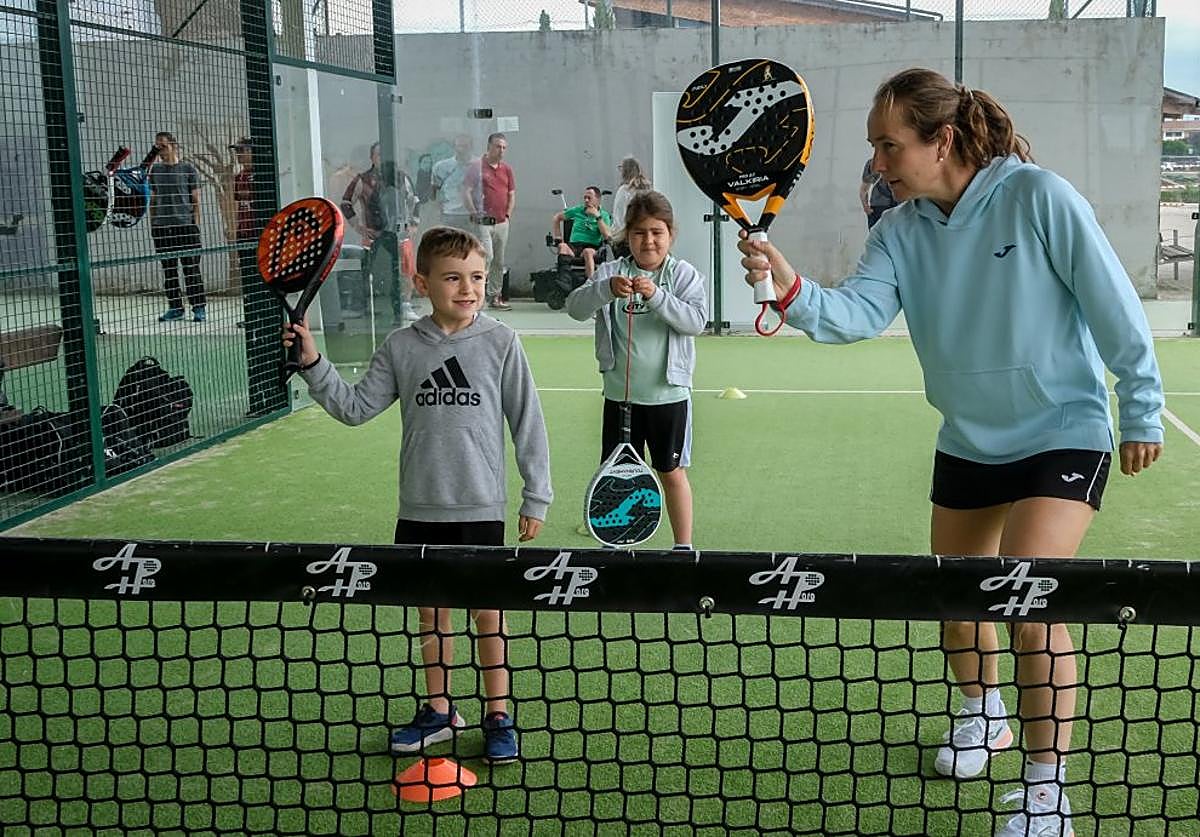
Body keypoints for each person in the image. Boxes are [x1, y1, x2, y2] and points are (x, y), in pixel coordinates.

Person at [737, 68, 1164, 837]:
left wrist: (1141, 407)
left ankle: (1045, 796)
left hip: (1061, 430)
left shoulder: (1040, 197)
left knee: (1033, 604)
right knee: (958, 602)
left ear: (944, 139)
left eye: (889, 144)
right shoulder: (898, 230)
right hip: (970, 439)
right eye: (874, 145)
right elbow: (854, 314)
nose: (878, 161)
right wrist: (789, 283)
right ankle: (983, 714)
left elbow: (1115, 305)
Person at [282, 226, 552, 765]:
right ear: (421, 280)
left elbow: (528, 421)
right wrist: (313, 363)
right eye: (453, 278)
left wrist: (535, 496)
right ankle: (440, 709)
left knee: (488, 616)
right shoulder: (402, 347)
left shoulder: (501, 342)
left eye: (476, 277)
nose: (467, 288)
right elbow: (355, 408)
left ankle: (498, 715)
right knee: (432, 616)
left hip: (480, 510)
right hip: (419, 512)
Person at [565, 191, 706, 551]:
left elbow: (695, 322)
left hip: (668, 397)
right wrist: (605, 290)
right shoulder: (612, 273)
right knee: (615, 478)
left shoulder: (684, 275)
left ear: (670, 235)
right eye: (640, 232)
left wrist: (657, 296)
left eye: (657, 232)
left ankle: (682, 548)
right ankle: (614, 546)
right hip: (620, 399)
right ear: (627, 236)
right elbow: (575, 308)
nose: (649, 240)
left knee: (671, 472)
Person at [149, 131, 206, 322]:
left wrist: (195, 224)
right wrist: (153, 223)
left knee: (191, 268)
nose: (159, 150)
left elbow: (196, 199)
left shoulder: (188, 169)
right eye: (157, 146)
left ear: (173, 145)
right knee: (169, 269)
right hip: (163, 228)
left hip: (185, 226)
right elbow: (153, 198)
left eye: (163, 146)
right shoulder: (155, 170)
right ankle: (175, 307)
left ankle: (198, 307)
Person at [464, 132, 516, 311]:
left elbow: (511, 194)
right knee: (487, 256)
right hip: (483, 221)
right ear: (489, 146)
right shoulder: (476, 166)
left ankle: (495, 297)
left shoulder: (507, 169)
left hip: (502, 222)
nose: (501, 150)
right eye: (497, 146)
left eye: (504, 147)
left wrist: (508, 214)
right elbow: (466, 191)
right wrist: (473, 212)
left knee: (498, 261)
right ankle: (476, 295)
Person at [553, 186, 612, 279]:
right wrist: (558, 237)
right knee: (562, 247)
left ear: (597, 199)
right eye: (585, 198)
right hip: (574, 247)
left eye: (589, 198)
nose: (586, 200)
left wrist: (597, 216)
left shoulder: (604, 215)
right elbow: (557, 217)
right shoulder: (578, 210)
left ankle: (591, 283)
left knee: (587, 252)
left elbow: (607, 236)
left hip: (592, 248)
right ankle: (564, 282)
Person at [430, 134, 475, 231]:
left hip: (473, 214)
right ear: (454, 147)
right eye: (459, 146)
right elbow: (434, 190)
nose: (461, 149)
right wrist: (438, 209)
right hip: (450, 214)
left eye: (465, 146)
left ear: (471, 147)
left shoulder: (480, 165)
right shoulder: (441, 167)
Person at [610, 155, 652, 241]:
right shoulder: (647, 189)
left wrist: (612, 236)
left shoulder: (624, 190)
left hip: (626, 237)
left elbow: (619, 217)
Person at [859, 156, 898, 229]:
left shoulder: (873, 163)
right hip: (885, 206)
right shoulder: (904, 162)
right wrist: (866, 208)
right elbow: (864, 189)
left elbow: (864, 189)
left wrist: (866, 207)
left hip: (880, 206)